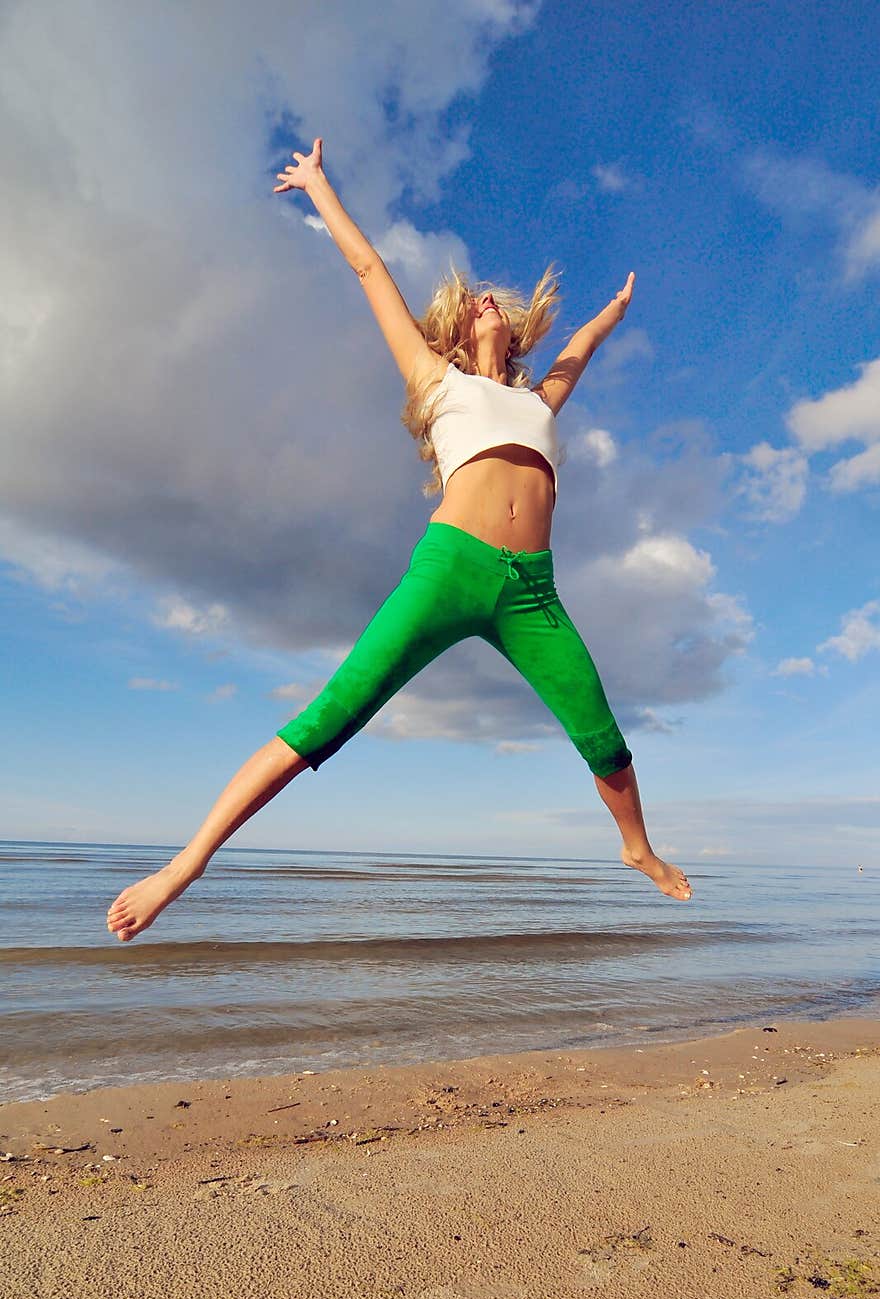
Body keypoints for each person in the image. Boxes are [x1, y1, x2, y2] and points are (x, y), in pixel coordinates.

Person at [107, 137, 691, 944]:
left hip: (533, 589)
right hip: (449, 566)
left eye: (497, 302)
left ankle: (638, 850)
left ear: (511, 333)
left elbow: (577, 351)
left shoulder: (539, 400)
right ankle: (185, 865)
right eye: (477, 299)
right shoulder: (435, 380)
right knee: (326, 718)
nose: (488, 301)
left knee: (607, 743)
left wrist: (614, 311)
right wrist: (317, 185)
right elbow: (370, 272)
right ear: (457, 324)